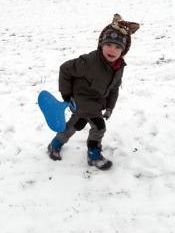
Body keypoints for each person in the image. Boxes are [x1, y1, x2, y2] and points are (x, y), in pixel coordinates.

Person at [47, 14, 140, 170]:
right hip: (83, 102)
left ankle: (55, 144)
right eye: (109, 44)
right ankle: (93, 154)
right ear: (101, 44)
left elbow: (114, 88)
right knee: (99, 127)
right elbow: (65, 69)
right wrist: (67, 95)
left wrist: (110, 107)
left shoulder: (118, 67)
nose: (112, 50)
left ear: (123, 51)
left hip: (96, 103)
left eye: (118, 47)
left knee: (74, 125)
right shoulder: (89, 61)